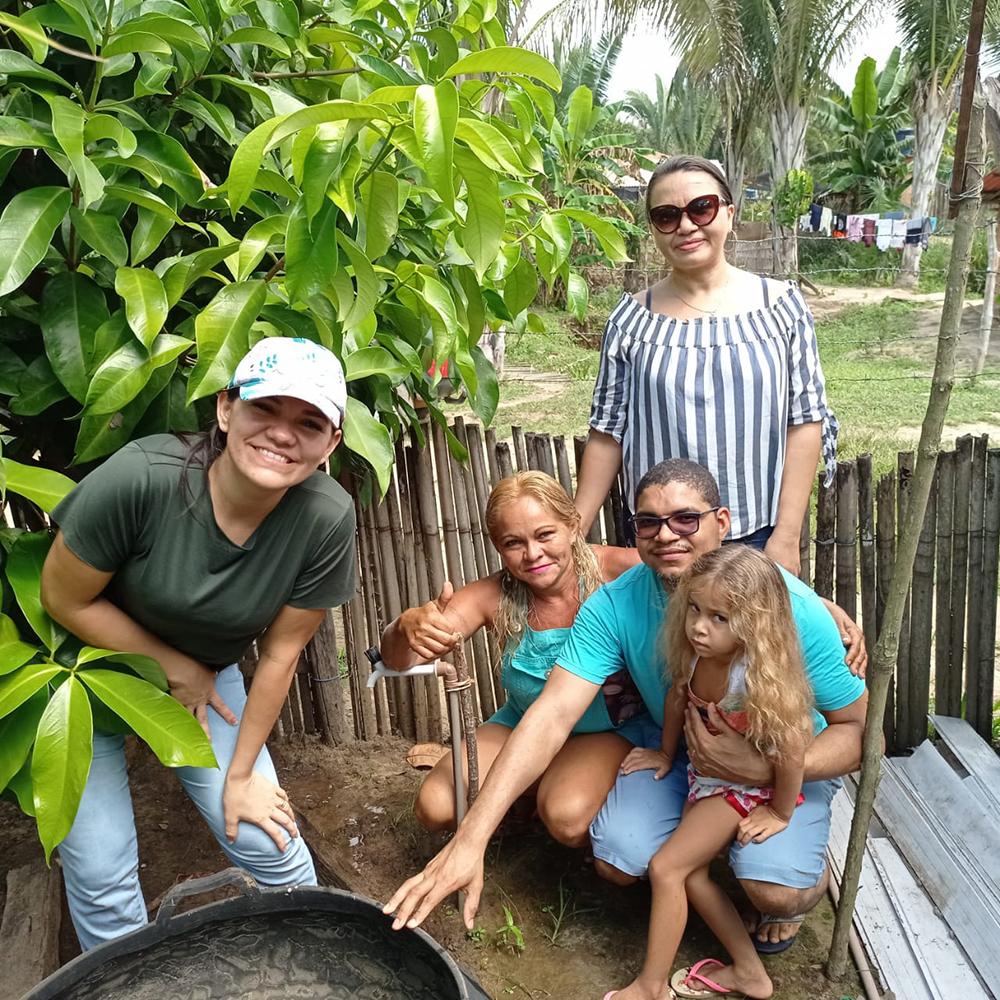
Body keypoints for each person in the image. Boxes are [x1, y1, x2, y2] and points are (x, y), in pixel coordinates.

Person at [384, 458, 867, 961]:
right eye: (649, 523)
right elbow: (551, 712)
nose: (667, 536)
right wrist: (470, 840)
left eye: (685, 519)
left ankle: (786, 889)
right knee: (616, 857)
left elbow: (860, 734)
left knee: (775, 891)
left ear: (722, 524)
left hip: (787, 763)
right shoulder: (616, 601)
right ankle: (696, 847)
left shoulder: (789, 606)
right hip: (686, 750)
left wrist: (770, 767)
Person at [40, 337, 357, 950]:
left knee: (273, 846)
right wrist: (174, 666)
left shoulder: (326, 517)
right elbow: (64, 599)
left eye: (309, 421)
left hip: (208, 685)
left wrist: (241, 774)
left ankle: (309, 968)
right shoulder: (143, 478)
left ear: (331, 443)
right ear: (225, 409)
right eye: (265, 409)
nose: (283, 434)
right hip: (83, 677)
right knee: (103, 875)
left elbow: (282, 654)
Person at [575, 155, 838, 575]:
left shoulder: (782, 308)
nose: (685, 225)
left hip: (755, 534)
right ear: (653, 229)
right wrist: (574, 536)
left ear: (729, 214)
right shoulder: (630, 321)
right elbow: (607, 433)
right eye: (666, 215)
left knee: (748, 641)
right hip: (661, 539)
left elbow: (805, 422)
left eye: (702, 208)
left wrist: (786, 536)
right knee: (660, 641)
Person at [380, 471, 642, 842]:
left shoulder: (619, 571)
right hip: (522, 723)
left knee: (567, 815)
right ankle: (528, 793)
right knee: (435, 804)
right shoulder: (494, 595)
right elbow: (399, 659)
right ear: (497, 547)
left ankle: (557, 796)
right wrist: (405, 626)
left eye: (545, 534)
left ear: (572, 525)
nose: (533, 554)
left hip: (607, 729)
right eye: (513, 543)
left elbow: (699, 578)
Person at [607, 546, 814, 1000]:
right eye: (695, 609)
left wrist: (779, 812)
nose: (700, 626)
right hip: (708, 781)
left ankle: (650, 986)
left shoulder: (755, 677)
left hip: (741, 789)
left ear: (754, 623)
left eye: (720, 618)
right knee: (693, 876)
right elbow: (677, 700)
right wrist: (665, 754)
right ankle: (749, 973)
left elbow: (793, 751)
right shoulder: (699, 655)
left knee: (665, 868)